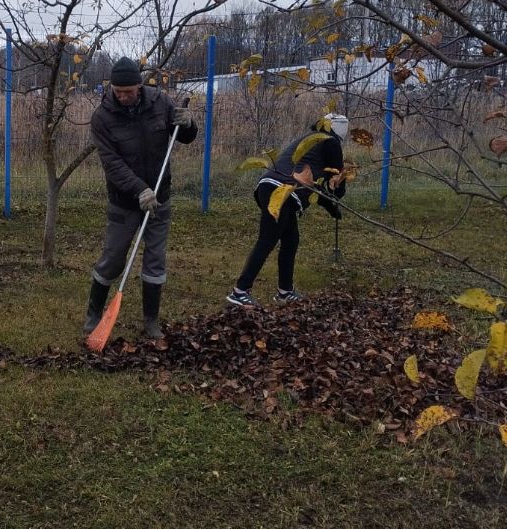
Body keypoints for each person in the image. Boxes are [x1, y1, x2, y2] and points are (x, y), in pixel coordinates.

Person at [83, 57, 198, 339]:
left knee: (155, 259)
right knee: (113, 258)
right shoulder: (102, 118)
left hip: (160, 197)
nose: (123, 97)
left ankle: (151, 321)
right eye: (118, 91)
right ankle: (94, 315)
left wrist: (188, 124)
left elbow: (183, 137)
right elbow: (112, 164)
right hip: (124, 201)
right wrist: (139, 190)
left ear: (139, 86)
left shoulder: (160, 102)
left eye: (129, 91)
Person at [225, 113, 349, 308]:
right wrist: (335, 201)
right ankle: (239, 292)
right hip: (283, 190)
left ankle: (285, 291)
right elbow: (336, 181)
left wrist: (330, 206)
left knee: (291, 240)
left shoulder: (310, 140)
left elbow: (314, 186)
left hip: (271, 186)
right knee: (267, 240)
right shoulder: (330, 142)